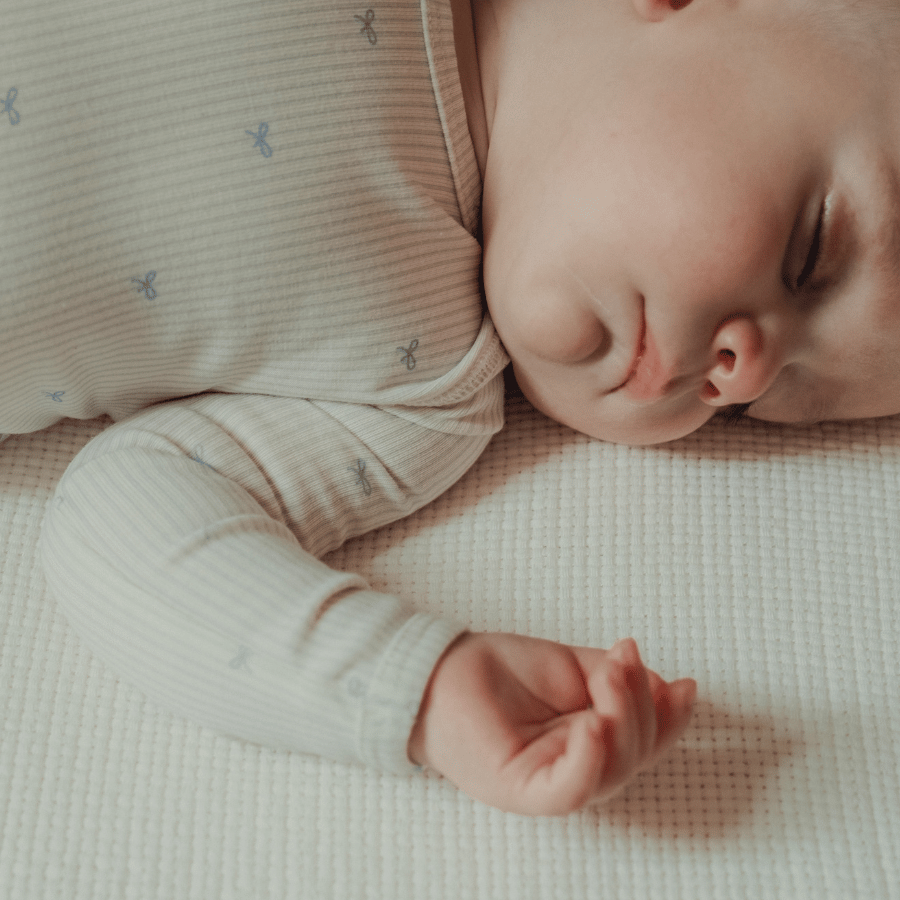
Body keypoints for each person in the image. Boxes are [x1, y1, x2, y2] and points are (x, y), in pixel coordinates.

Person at [3, 0, 898, 816]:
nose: (738, 376)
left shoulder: (422, 401)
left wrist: (418, 685)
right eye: (809, 250)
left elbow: (119, 519)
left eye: (768, 404)